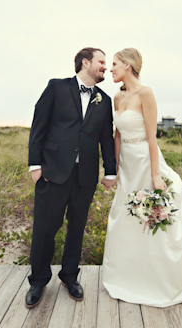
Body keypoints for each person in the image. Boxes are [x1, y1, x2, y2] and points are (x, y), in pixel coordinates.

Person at [102, 48, 182, 307]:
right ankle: (127, 276)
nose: (111, 68)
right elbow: (117, 135)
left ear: (128, 65)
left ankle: (164, 279)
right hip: (127, 164)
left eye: (115, 64)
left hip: (145, 158)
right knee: (124, 217)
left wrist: (154, 174)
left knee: (153, 216)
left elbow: (152, 137)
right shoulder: (117, 97)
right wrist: (115, 168)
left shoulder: (146, 93)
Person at [26, 47, 117, 308]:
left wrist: (110, 171)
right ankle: (38, 280)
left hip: (85, 176)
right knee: (45, 229)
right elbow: (39, 125)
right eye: (101, 62)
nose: (105, 67)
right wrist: (35, 165)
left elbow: (106, 139)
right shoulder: (56, 87)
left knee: (76, 229)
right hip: (52, 172)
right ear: (85, 62)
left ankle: (69, 276)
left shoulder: (104, 99)